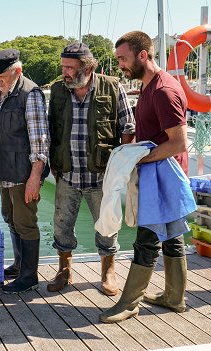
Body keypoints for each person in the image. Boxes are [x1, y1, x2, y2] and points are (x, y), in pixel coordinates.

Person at [99, 31, 189, 323]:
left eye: (123, 59)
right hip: (160, 174)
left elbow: (178, 143)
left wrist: (137, 159)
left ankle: (128, 303)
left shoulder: (163, 90)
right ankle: (174, 298)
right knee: (172, 235)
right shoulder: (149, 86)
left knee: (146, 239)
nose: (120, 66)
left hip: (164, 176)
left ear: (142, 55)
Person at [47, 42, 135, 296]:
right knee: (62, 226)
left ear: (86, 67)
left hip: (102, 175)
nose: (64, 72)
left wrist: (119, 167)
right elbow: (52, 128)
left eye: (70, 67)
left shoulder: (112, 86)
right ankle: (65, 270)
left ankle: (108, 272)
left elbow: (127, 128)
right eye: (63, 66)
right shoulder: (58, 90)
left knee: (107, 226)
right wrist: (54, 163)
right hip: (67, 174)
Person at [0, 49, 50, 294]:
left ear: (17, 71)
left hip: (23, 174)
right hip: (4, 172)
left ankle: (29, 276)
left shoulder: (30, 94)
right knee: (11, 218)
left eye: (2, 76)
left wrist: (35, 177)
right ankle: (20, 265)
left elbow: (40, 141)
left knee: (25, 223)